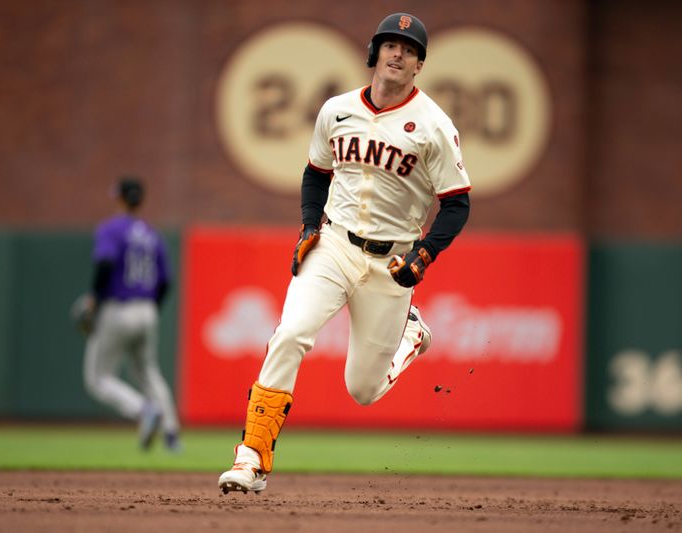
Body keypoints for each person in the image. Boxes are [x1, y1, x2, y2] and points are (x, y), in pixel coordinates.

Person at [218, 12, 471, 493]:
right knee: (290, 333)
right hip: (335, 244)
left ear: (419, 64)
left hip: (391, 262)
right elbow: (316, 173)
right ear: (374, 53)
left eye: (409, 48)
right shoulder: (336, 110)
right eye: (390, 44)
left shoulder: (435, 126)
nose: (398, 53)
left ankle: (410, 335)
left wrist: (425, 253)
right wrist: (310, 225)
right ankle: (251, 458)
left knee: (363, 391)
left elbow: (457, 205)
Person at [78, 176, 182, 452]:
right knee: (148, 372)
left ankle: (143, 410)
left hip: (117, 307)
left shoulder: (111, 229)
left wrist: (92, 299)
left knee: (99, 378)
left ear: (120, 198)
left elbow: (105, 262)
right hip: (147, 309)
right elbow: (166, 281)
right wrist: (151, 309)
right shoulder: (152, 234)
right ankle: (171, 434)